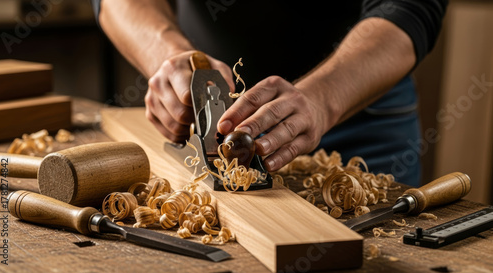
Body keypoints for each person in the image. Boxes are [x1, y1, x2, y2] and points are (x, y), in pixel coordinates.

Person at [91, 0, 447, 186]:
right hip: (210, 105)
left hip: (359, 115)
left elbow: (410, 8)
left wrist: (322, 99)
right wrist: (165, 54)